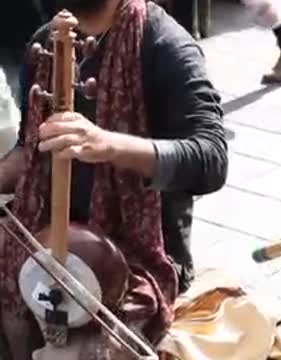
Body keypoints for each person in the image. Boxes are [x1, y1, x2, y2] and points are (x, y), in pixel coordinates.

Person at [0, 0, 228, 357]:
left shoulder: (163, 44)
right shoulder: (46, 43)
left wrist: (108, 144)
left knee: (80, 353)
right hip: (46, 239)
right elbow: (29, 152)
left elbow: (211, 158)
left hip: (135, 257)